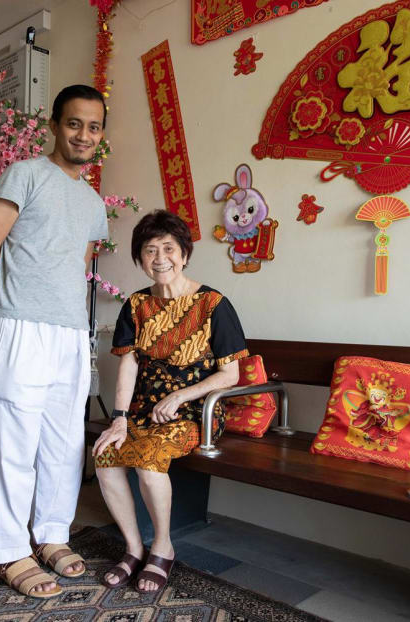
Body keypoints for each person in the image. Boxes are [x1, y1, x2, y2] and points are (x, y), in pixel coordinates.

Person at [0, 84, 109, 598]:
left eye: (94, 127)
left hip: (71, 333)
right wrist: (4, 311)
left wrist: (70, 324)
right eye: (74, 123)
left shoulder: (94, 202)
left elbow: (76, 266)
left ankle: (51, 534)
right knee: (13, 440)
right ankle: (9, 550)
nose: (83, 134)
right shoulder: (24, 174)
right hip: (20, 327)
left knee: (63, 443)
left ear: (101, 136)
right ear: (55, 125)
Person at [92, 210, 248, 593]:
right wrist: (119, 418)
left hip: (196, 412)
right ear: (140, 259)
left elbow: (231, 376)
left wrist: (181, 395)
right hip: (145, 411)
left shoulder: (214, 304)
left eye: (168, 248)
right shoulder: (136, 305)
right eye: (149, 250)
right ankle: (133, 548)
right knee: (104, 457)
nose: (160, 258)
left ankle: (162, 547)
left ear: (185, 254)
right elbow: (128, 365)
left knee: (147, 461)